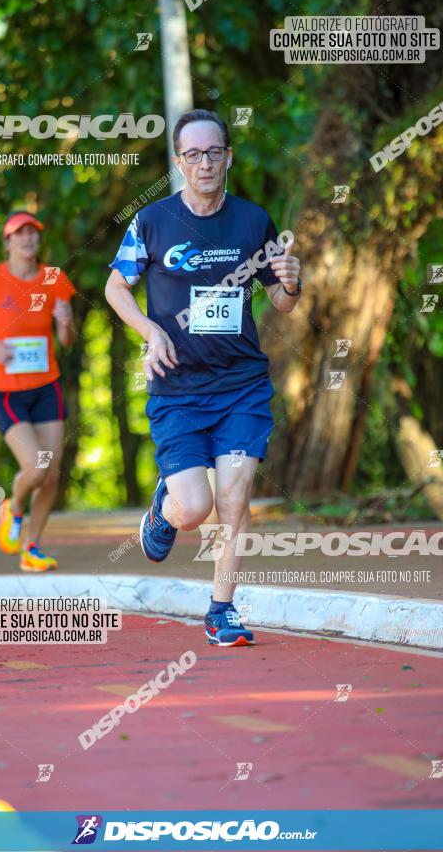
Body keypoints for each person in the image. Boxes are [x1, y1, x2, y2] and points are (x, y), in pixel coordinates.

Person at [105, 109, 301, 646]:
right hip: (177, 390)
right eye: (193, 155)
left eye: (214, 152)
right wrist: (150, 331)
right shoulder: (153, 221)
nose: (205, 163)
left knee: (234, 499)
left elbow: (282, 303)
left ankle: (221, 609)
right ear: (178, 162)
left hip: (241, 386)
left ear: (228, 157)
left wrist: (291, 281)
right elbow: (115, 288)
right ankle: (165, 508)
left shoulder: (252, 220)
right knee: (195, 508)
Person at [0, 210, 76, 572]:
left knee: (52, 473)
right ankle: (14, 506)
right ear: (7, 241)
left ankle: (32, 548)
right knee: (36, 468)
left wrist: (66, 322)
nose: (28, 239)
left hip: (46, 388)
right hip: (7, 392)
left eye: (33, 233)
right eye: (19, 234)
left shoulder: (55, 279)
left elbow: (66, 342)